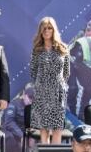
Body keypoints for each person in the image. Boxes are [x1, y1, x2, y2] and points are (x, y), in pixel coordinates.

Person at [29, 16, 71, 144]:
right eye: (44, 28)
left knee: (57, 128)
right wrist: (42, 84)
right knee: (44, 129)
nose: (47, 31)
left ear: (54, 30)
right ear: (40, 31)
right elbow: (33, 71)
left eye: (49, 28)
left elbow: (66, 72)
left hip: (58, 92)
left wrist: (58, 84)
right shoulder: (37, 50)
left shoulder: (63, 48)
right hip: (42, 93)